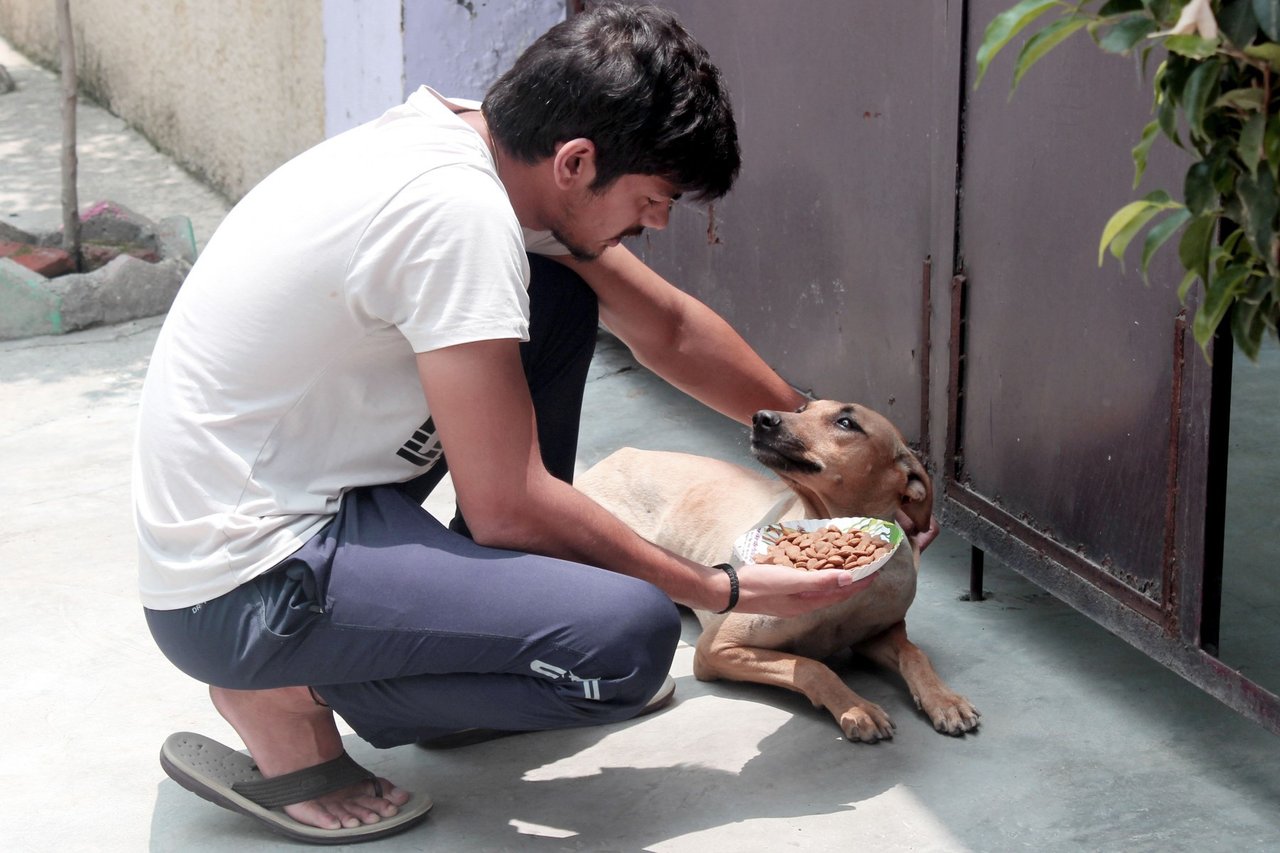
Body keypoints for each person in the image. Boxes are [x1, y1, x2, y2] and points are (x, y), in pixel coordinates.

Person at [135, 2, 935, 844]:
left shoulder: (476, 147)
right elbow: (508, 503)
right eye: (653, 198)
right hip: (245, 584)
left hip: (309, 500)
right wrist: (720, 588)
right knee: (628, 639)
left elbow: (666, 327)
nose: (658, 224)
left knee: (557, 299)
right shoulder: (459, 216)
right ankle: (285, 695)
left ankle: (462, 638)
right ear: (578, 160)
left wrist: (836, 443)